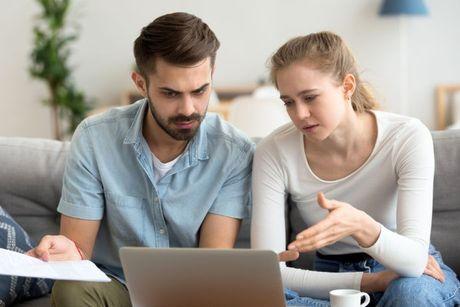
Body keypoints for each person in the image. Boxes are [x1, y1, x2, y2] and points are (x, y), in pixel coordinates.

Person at [26, 12, 254, 307]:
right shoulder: (95, 138)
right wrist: (62, 251)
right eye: (170, 93)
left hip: (193, 294)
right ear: (141, 83)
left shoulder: (234, 152)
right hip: (116, 286)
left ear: (212, 74)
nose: (188, 108)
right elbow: (78, 253)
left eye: (200, 91)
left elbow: (211, 266)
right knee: (71, 289)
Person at [251, 31, 460, 306]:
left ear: (347, 86)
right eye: (289, 102)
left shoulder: (406, 136)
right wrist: (368, 282)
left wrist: (361, 225)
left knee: (412, 295)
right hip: (329, 279)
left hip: (404, 272)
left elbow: (413, 261)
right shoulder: (274, 151)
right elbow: (267, 273)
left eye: (310, 97)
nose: (299, 114)